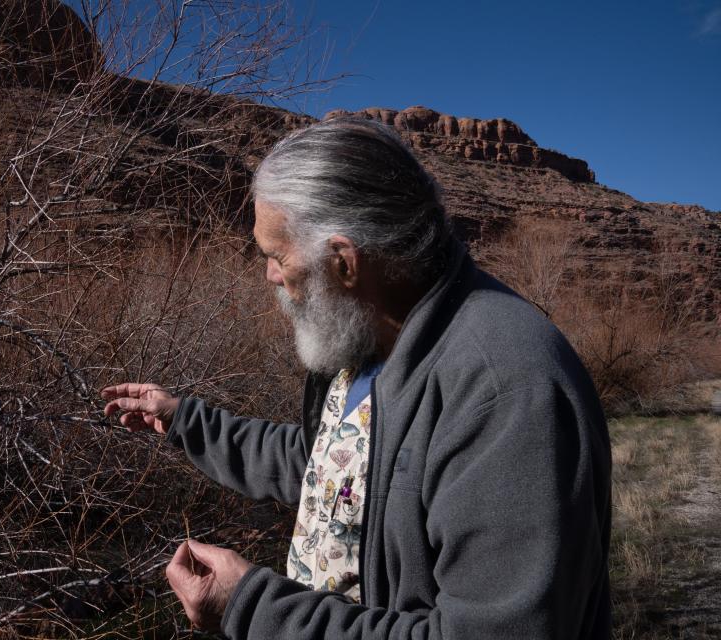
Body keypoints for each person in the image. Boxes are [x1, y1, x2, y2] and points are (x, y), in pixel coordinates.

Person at [100, 116, 612, 639]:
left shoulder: (505, 391)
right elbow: (327, 462)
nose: (270, 276)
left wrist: (254, 611)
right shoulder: (371, 335)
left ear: (344, 261)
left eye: (277, 255)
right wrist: (185, 420)